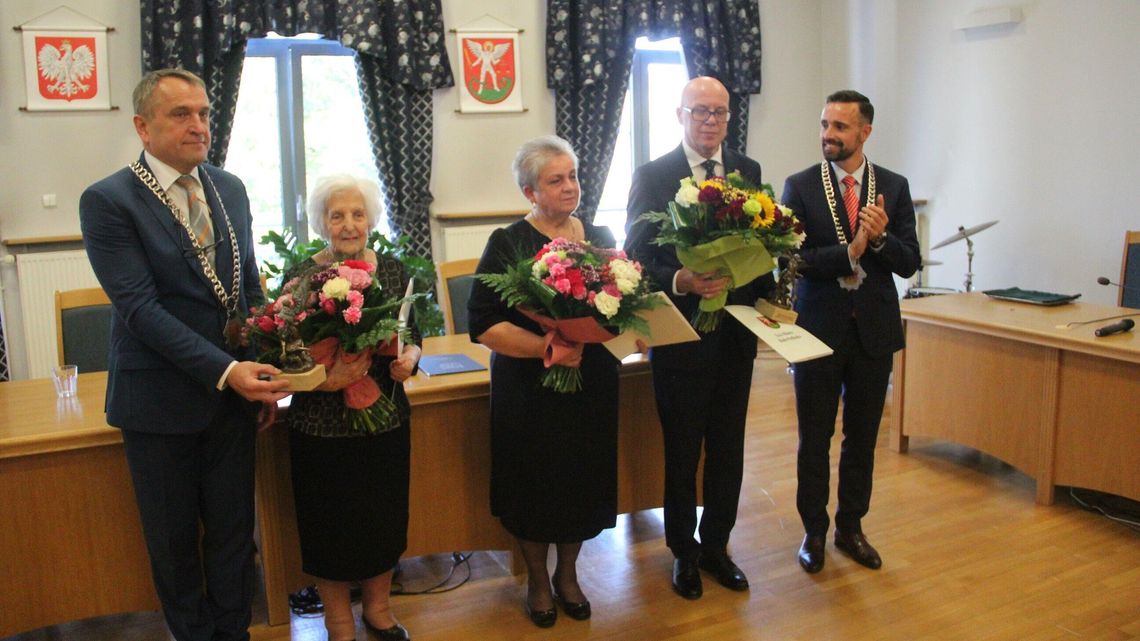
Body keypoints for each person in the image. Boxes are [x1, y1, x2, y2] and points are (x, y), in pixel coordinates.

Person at [79, 68, 291, 641]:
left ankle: (233, 633)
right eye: (181, 115)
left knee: (231, 534)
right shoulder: (108, 200)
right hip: (159, 401)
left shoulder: (230, 187)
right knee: (174, 546)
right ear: (143, 127)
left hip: (234, 400)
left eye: (202, 113)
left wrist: (265, 374)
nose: (198, 125)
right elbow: (140, 310)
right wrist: (229, 372)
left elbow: (246, 289)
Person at [623, 76, 773, 600]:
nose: (711, 121)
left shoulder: (747, 172)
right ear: (681, 114)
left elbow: (763, 245)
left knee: (729, 447)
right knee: (683, 449)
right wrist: (681, 280)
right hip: (682, 337)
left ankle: (717, 547)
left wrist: (772, 300)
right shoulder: (653, 175)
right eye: (701, 111)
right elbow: (637, 253)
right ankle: (683, 552)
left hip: (735, 335)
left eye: (721, 112)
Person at [467, 135, 619, 628]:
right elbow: (483, 322)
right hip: (529, 389)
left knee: (578, 482)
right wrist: (545, 347)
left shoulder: (599, 235)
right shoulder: (508, 242)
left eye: (572, 176)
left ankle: (569, 575)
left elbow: (620, 308)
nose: (569, 186)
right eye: (556, 180)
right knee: (535, 486)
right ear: (530, 192)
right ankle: (537, 579)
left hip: (590, 383)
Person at [781, 90, 920, 574]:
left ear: (865, 132)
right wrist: (851, 250)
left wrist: (880, 238)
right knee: (814, 438)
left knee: (862, 439)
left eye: (840, 127)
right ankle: (813, 531)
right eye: (824, 125)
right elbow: (791, 259)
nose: (828, 136)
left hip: (874, 333)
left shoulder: (895, 188)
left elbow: (909, 262)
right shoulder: (799, 186)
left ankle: (851, 527)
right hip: (818, 330)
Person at [283, 174, 422, 641]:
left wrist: (409, 359)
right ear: (322, 222)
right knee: (329, 524)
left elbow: (413, 335)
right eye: (337, 215)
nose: (348, 224)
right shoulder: (302, 278)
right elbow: (283, 356)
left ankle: (379, 610)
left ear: (371, 219)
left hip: (384, 418)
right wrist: (327, 380)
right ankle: (337, 619)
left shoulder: (395, 271)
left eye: (357, 214)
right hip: (319, 425)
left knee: (382, 517)